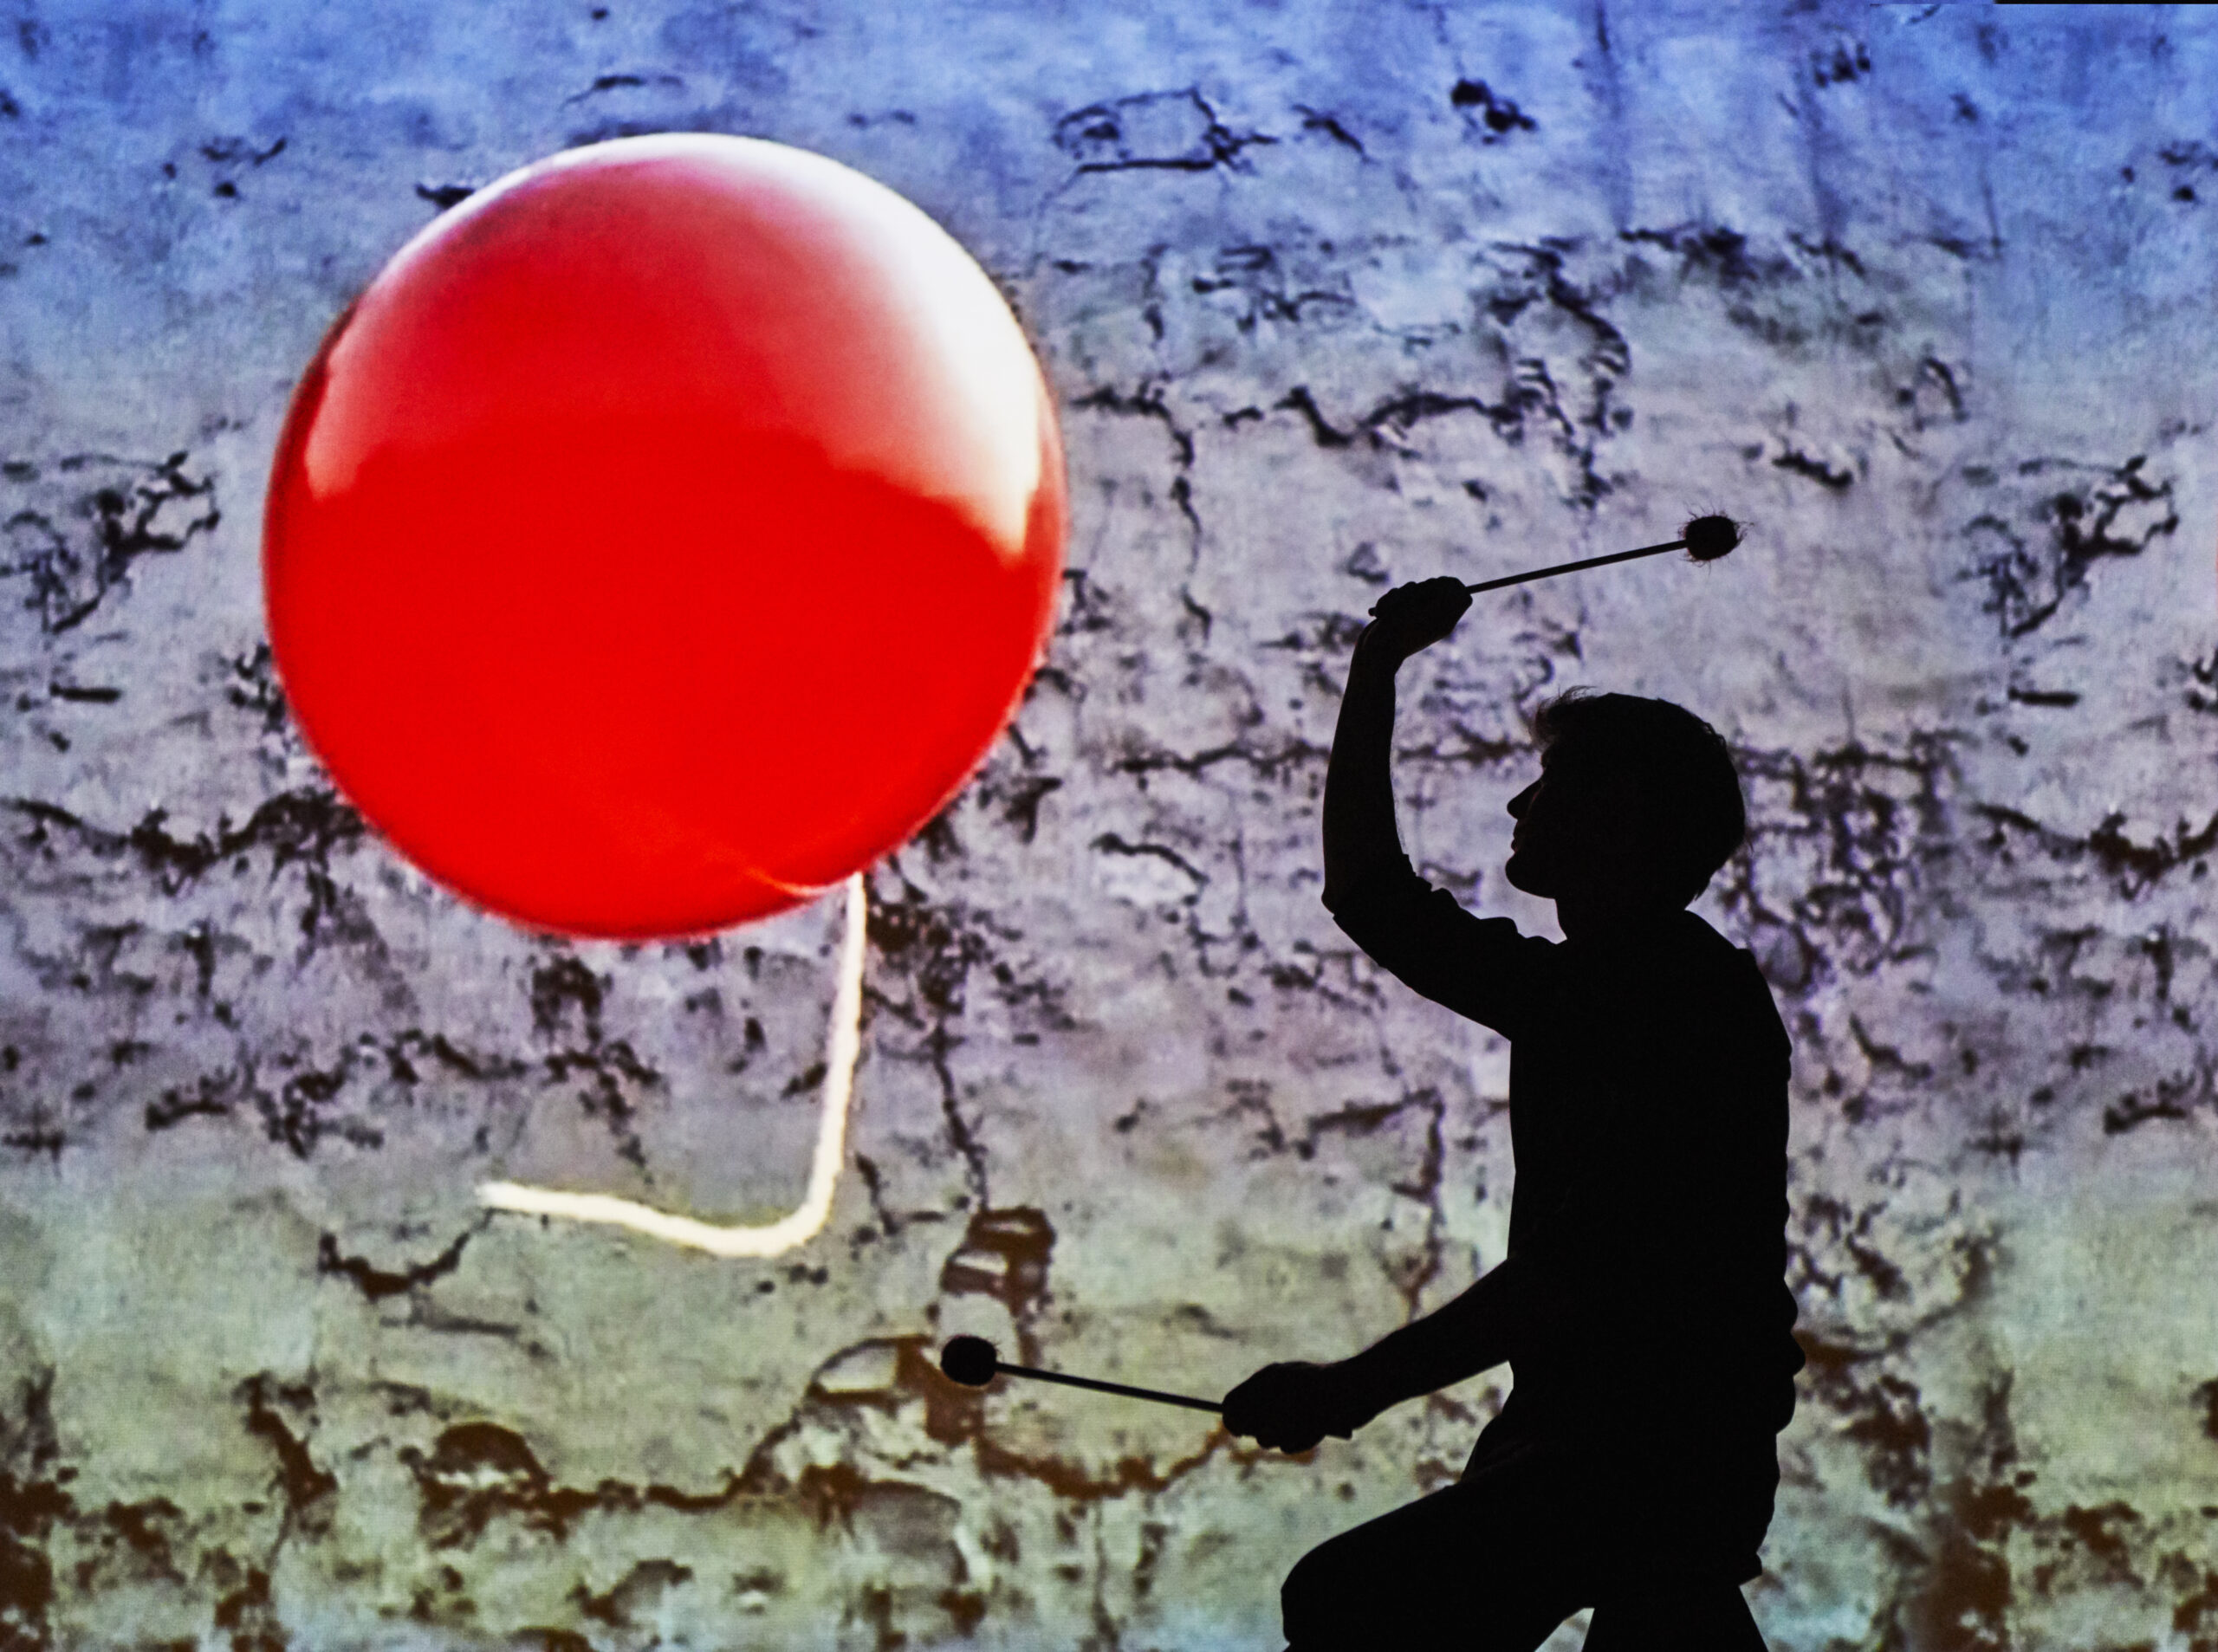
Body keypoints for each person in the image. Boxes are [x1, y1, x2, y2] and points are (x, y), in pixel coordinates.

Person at [1222, 577, 1801, 1649]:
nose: (1516, 807)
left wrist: (1352, 1387)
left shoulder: (1661, 1000)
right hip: (1645, 1451)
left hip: (1643, 1456)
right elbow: (1371, 895)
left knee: (1352, 1600)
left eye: (1552, 785)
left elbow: (1574, 1274)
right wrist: (1374, 668)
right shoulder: (1606, 988)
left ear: (1616, 819)